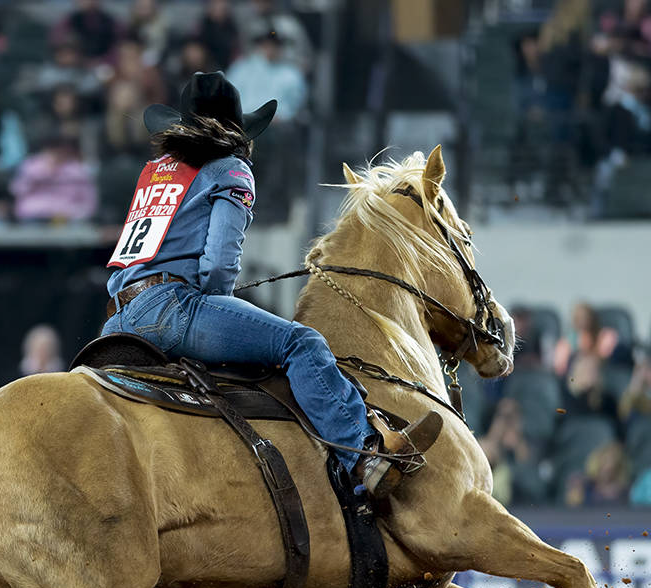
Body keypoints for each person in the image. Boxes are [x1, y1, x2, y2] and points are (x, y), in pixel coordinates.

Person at [101, 72, 442, 503]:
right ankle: (365, 454)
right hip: (173, 309)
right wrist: (219, 306)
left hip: (119, 318)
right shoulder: (231, 168)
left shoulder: (155, 171)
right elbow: (219, 264)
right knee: (301, 344)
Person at [10, 132, 97, 223]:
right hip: (34, 215)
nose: (56, 154)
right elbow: (17, 190)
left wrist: (81, 214)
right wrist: (41, 173)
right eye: (52, 149)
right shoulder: (31, 165)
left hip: (67, 216)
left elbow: (89, 201)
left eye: (60, 150)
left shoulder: (78, 170)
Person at [226, 31, 308, 123]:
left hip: (277, 125)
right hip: (245, 121)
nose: (270, 49)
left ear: (280, 48)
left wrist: (282, 116)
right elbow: (229, 95)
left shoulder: (291, 74)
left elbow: (295, 103)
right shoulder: (242, 68)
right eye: (266, 45)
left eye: (274, 46)